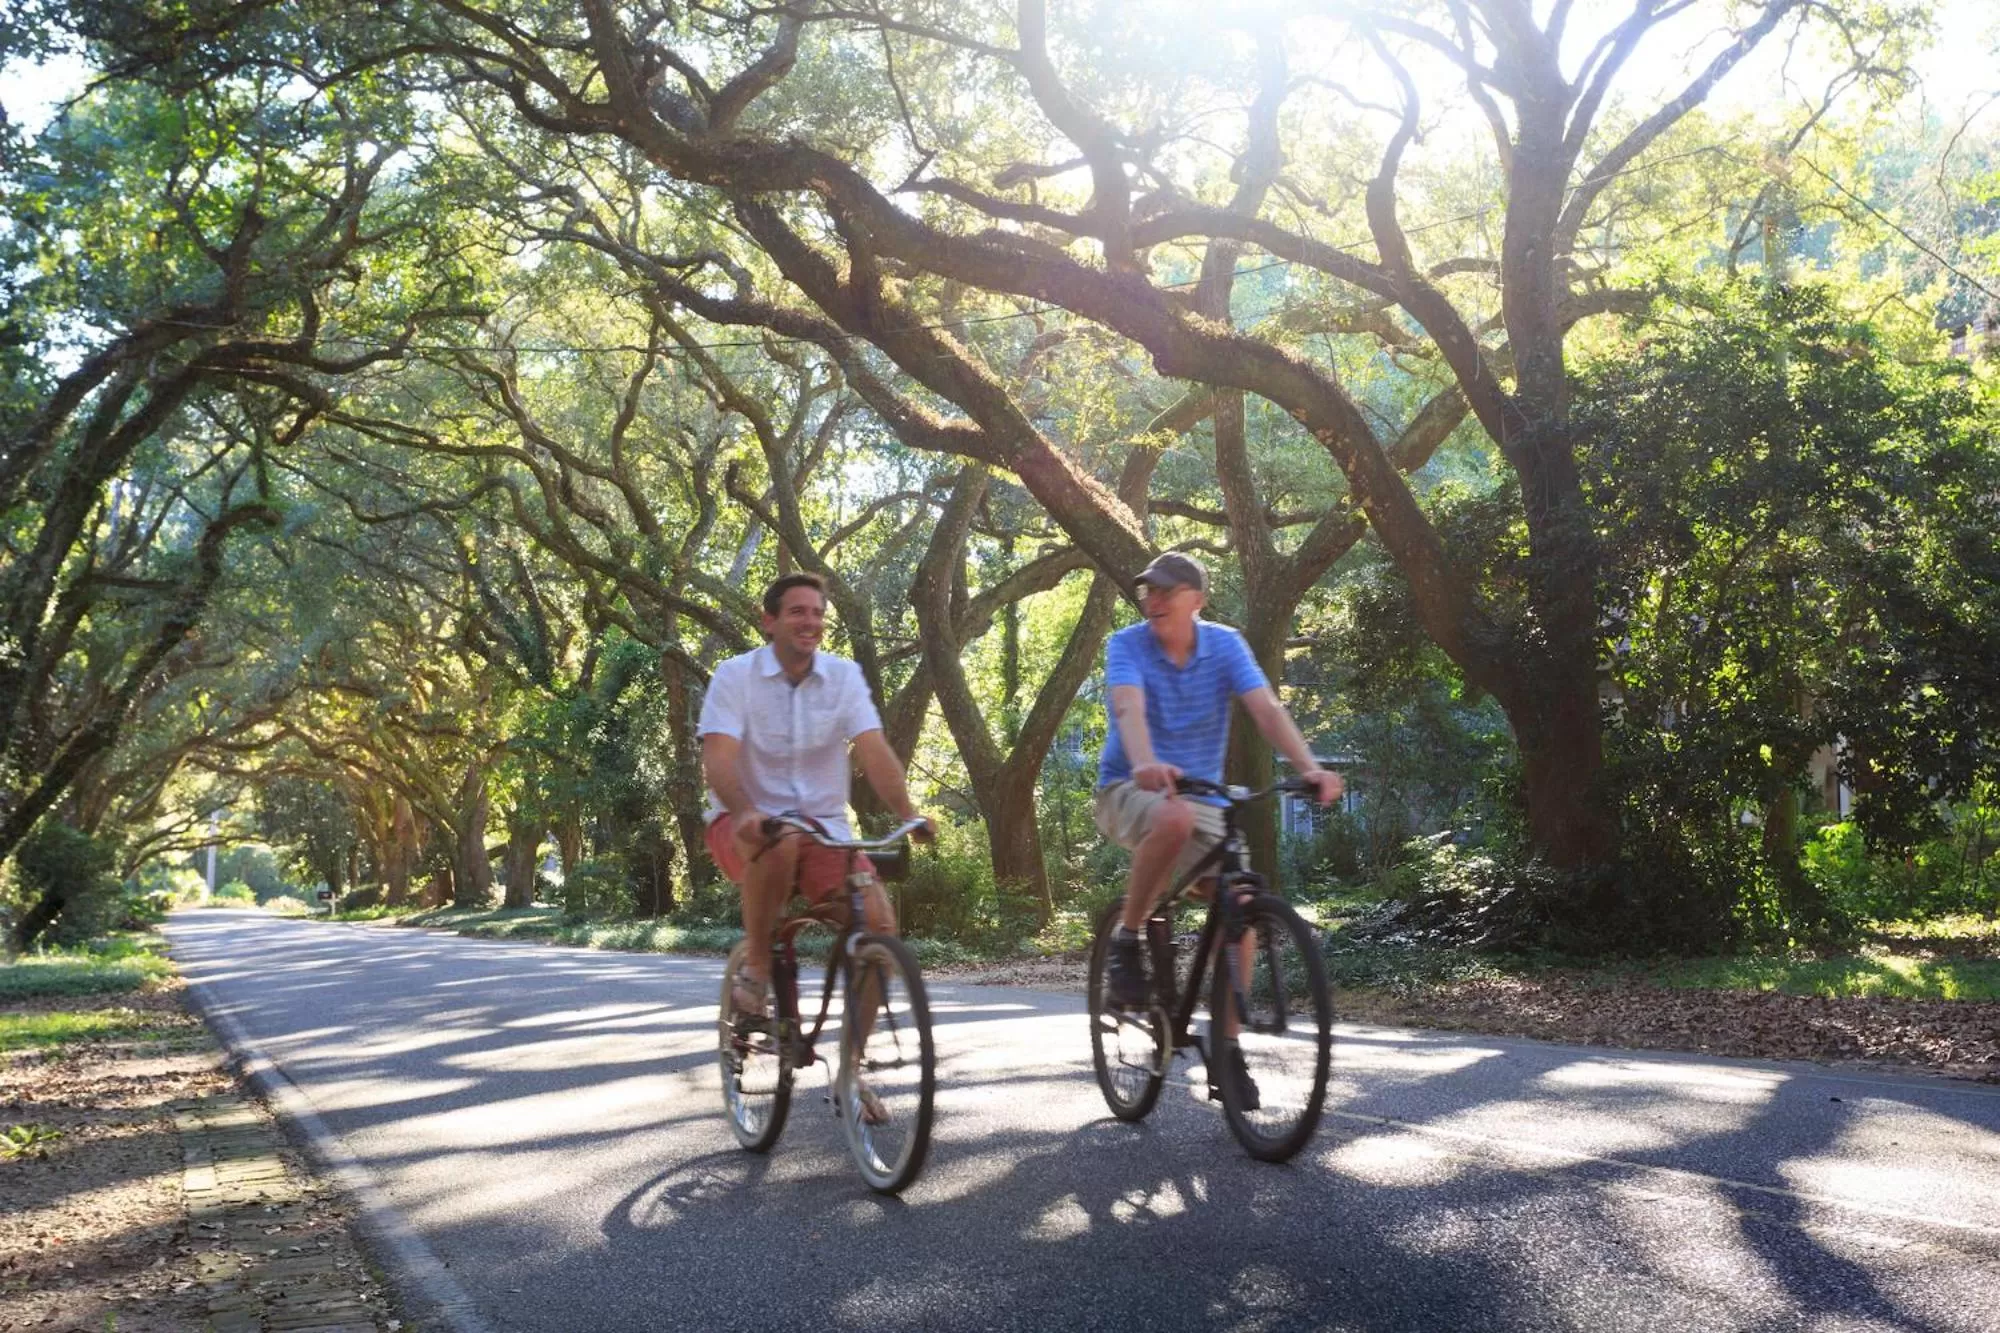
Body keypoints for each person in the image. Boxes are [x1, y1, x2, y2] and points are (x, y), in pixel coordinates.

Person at [1093, 553, 1343, 1087]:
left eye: (1166, 591)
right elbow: (1127, 708)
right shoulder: (1127, 645)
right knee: (1174, 819)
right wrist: (1143, 762)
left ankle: (1226, 1050)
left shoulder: (1225, 644)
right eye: (1147, 592)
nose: (1153, 600)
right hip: (1130, 786)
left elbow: (1267, 710)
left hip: (1204, 796)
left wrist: (1310, 768)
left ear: (1198, 599)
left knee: (1243, 911)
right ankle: (1126, 940)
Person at [698, 573, 934, 1039]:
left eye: (818, 613)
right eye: (797, 612)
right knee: (782, 839)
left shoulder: (843, 677)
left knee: (880, 927)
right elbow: (718, 759)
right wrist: (745, 810)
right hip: (743, 824)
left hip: (825, 831)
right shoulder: (735, 676)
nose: (811, 622)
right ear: (769, 622)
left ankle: (852, 1068)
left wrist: (909, 812)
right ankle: (758, 971)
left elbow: (873, 750)